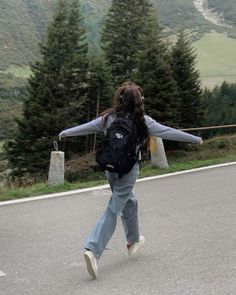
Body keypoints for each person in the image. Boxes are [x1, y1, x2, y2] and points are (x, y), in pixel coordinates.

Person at [59, 82, 203, 279]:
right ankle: (93, 250)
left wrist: (66, 132)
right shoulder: (144, 121)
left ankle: (133, 241)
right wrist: (194, 139)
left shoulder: (108, 117)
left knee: (130, 202)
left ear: (119, 99)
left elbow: (88, 127)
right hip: (128, 170)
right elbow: (169, 131)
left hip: (110, 168)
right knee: (114, 208)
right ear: (139, 101)